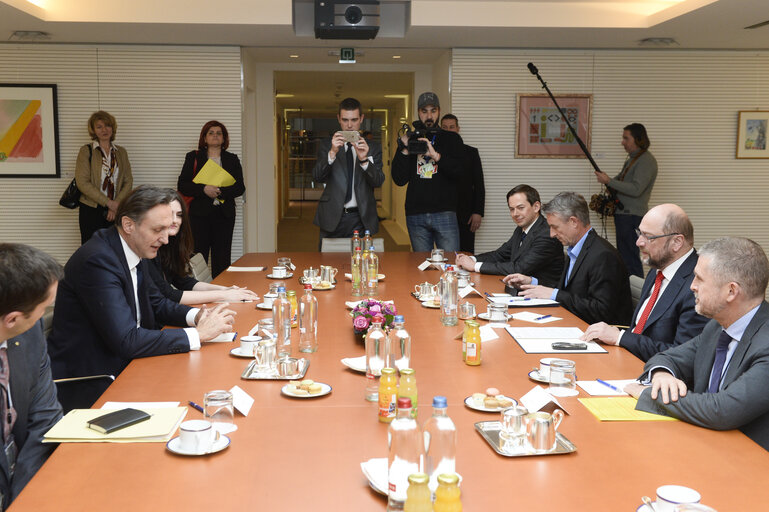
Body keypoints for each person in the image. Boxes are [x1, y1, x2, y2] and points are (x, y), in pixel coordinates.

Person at [48, 186, 235, 411]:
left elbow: (156, 303)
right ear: (128, 225)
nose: (166, 239)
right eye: (158, 229)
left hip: (132, 363)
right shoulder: (98, 261)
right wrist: (199, 334)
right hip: (97, 381)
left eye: (168, 229)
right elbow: (126, 340)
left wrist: (200, 316)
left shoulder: (134, 248)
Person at [625, 237, 769, 451]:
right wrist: (662, 375)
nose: (692, 286)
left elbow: (723, 410)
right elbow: (668, 357)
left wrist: (649, 395)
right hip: (703, 443)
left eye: (699, 279)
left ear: (731, 291)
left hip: (749, 462)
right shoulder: (717, 326)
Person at [581, 204, 708, 361]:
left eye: (649, 237)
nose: (639, 242)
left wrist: (620, 338)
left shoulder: (698, 285)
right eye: (639, 233)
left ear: (677, 242)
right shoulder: (659, 268)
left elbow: (682, 355)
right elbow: (639, 330)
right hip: (628, 358)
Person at [503, 192, 633, 326]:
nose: (552, 234)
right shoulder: (575, 248)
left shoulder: (603, 255)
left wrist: (555, 295)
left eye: (555, 227)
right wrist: (532, 281)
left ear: (573, 222)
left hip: (597, 333)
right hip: (572, 321)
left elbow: (601, 311)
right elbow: (569, 291)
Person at [0, 244, 63, 508]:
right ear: (13, 319)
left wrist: (25, 496)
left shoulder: (28, 333)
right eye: (45, 307)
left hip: (26, 481)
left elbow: (46, 418)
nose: (45, 315)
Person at [148, 193, 259, 307]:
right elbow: (170, 295)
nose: (175, 220)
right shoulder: (148, 251)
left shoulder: (171, 244)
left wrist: (225, 289)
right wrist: (223, 295)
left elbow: (184, 282)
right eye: (170, 215)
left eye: (179, 215)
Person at [392, 92, 464, 252]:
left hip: (445, 212)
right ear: (418, 112)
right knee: (421, 266)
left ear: (439, 111)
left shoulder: (451, 139)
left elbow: (460, 172)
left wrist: (436, 156)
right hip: (415, 213)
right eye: (424, 111)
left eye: (433, 110)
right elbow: (398, 179)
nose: (429, 116)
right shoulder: (410, 139)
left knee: (450, 265)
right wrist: (404, 149)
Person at [455, 185, 563, 287]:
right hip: (521, 290)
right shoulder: (521, 229)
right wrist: (471, 259)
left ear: (536, 207)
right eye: (512, 209)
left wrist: (474, 266)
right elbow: (500, 255)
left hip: (544, 297)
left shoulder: (547, 233)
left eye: (520, 208)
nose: (515, 214)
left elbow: (519, 268)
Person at [312, 97, 384, 248]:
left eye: (354, 120)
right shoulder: (327, 145)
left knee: (360, 264)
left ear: (361, 119)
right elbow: (317, 176)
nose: (350, 126)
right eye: (345, 120)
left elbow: (378, 181)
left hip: (361, 217)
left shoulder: (373, 147)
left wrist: (364, 160)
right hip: (332, 215)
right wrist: (332, 153)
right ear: (339, 119)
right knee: (327, 263)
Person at [177, 121, 245, 278]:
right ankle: (198, 293)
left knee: (222, 258)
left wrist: (220, 192)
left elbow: (240, 187)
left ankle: (221, 291)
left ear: (224, 138)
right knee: (197, 257)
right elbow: (182, 185)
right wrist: (204, 189)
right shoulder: (193, 157)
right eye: (211, 133)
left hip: (224, 215)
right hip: (199, 215)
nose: (215, 136)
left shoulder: (232, 159)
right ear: (204, 138)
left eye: (219, 133)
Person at [594, 123, 657, 277]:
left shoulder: (646, 160)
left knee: (630, 259)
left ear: (637, 139)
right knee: (624, 257)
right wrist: (609, 181)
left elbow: (636, 189)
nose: (622, 142)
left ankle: (635, 297)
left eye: (625, 138)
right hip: (624, 215)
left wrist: (609, 181)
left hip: (632, 216)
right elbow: (622, 180)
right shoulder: (633, 159)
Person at [75, 111, 133, 245]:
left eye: (107, 125)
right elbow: (82, 182)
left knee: (116, 247)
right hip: (91, 209)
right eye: (99, 127)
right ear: (93, 130)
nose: (104, 130)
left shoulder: (121, 152)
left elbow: (128, 180)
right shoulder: (86, 151)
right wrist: (109, 203)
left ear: (113, 128)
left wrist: (116, 205)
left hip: (118, 208)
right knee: (91, 248)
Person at [440, 114, 485, 253]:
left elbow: (479, 184)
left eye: (452, 127)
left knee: (466, 252)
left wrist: (478, 212)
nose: (448, 131)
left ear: (458, 129)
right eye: (445, 128)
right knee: (445, 254)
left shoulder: (471, 152)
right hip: (442, 212)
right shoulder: (434, 153)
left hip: (466, 213)